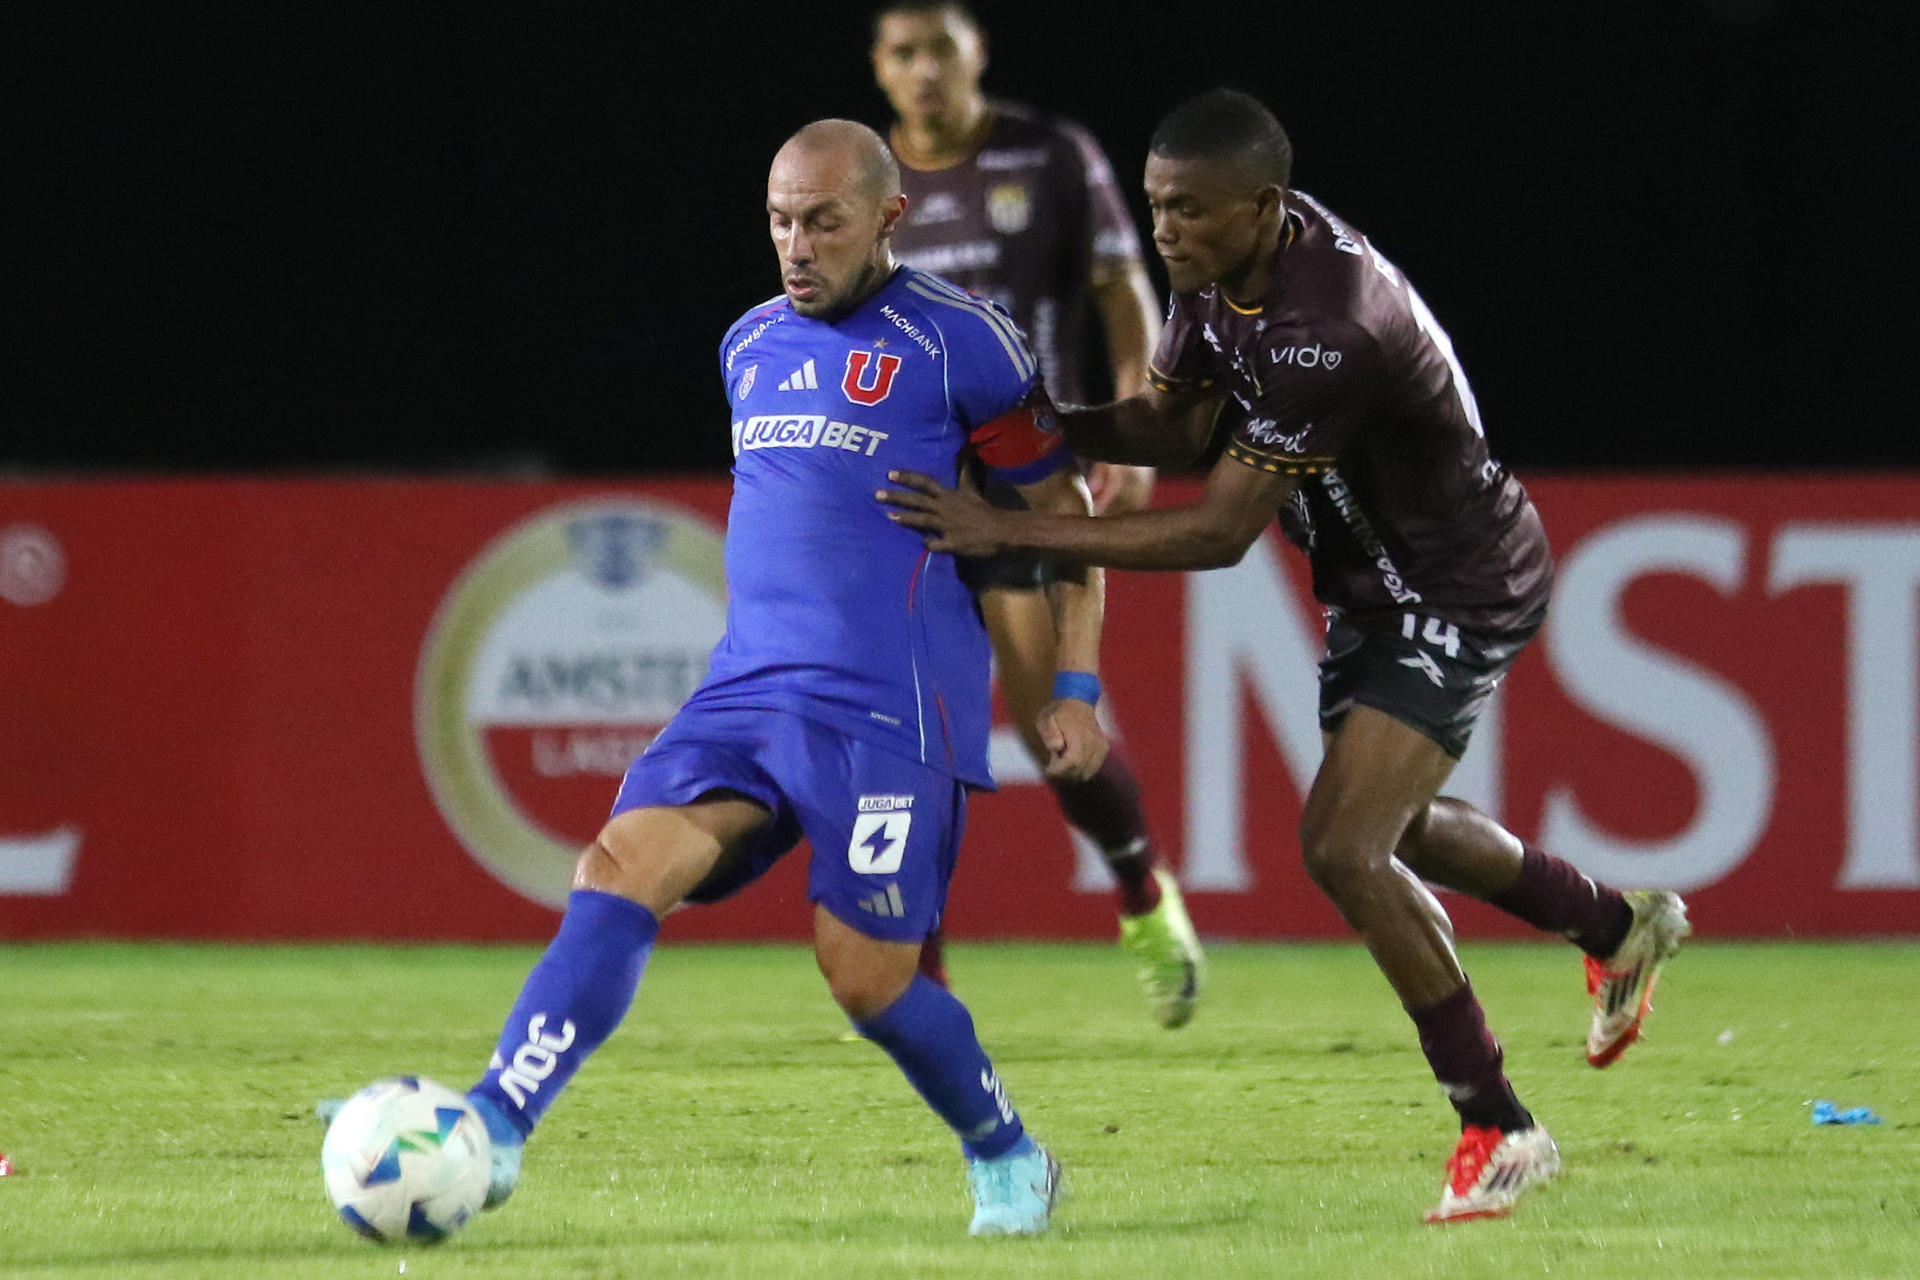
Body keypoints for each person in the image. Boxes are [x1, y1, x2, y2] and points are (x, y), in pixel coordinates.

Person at [878, 89, 1691, 1224]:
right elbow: (1169, 425)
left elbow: (1216, 532)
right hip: (1372, 586)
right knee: (1395, 830)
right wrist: (1024, 423)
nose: (1166, 232)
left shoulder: (1330, 325)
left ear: (1263, 206)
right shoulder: (1215, 270)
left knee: (1343, 847)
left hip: (1459, 583)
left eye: (1191, 212)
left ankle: (1499, 1123)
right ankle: (1614, 922)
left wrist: (1005, 524)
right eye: (1157, 207)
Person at [428, 120, 1103, 1237]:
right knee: (615, 866)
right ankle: (493, 1127)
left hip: (892, 707)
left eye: (824, 221)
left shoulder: (961, 342)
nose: (797, 244)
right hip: (746, 690)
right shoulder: (749, 342)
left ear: (889, 216)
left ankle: (1010, 1151)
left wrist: (1069, 690)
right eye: (782, 221)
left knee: (866, 979)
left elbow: (1067, 522)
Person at [869, 0, 1204, 1027]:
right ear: (879, 68)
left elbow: (1118, 284)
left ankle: (1142, 886)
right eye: (902, 53)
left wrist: (1142, 416)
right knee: (899, 729)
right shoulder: (863, 180)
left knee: (1052, 727)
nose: (924, 70)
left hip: (1027, 476)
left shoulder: (1048, 155)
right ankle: (917, 961)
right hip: (907, 485)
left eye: (940, 49)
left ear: (976, 52)